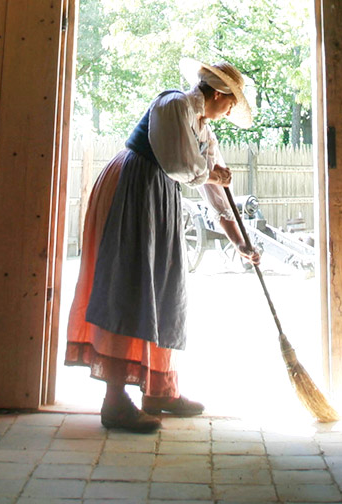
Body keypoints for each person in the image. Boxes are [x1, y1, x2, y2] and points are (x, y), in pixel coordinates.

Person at [66, 58, 260, 432]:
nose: (229, 111)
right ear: (217, 94)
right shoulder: (174, 105)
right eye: (230, 102)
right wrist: (212, 173)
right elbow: (181, 165)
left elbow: (215, 192)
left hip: (160, 195)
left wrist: (240, 241)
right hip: (133, 188)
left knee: (165, 289)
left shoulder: (204, 129)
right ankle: (114, 400)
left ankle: (159, 390)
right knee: (129, 287)